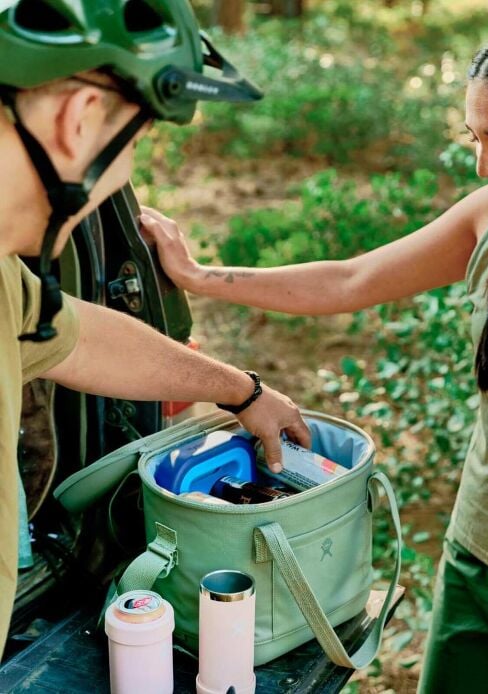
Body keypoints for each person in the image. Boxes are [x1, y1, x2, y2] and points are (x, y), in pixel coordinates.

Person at [143, 16, 488, 692]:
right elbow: (351, 280)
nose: (483, 165)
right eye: (475, 139)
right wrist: (203, 276)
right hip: (475, 569)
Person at [0, 0, 311, 658]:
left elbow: (78, 336)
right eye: (134, 146)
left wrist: (242, 392)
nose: (127, 176)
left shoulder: (6, 284)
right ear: (78, 120)